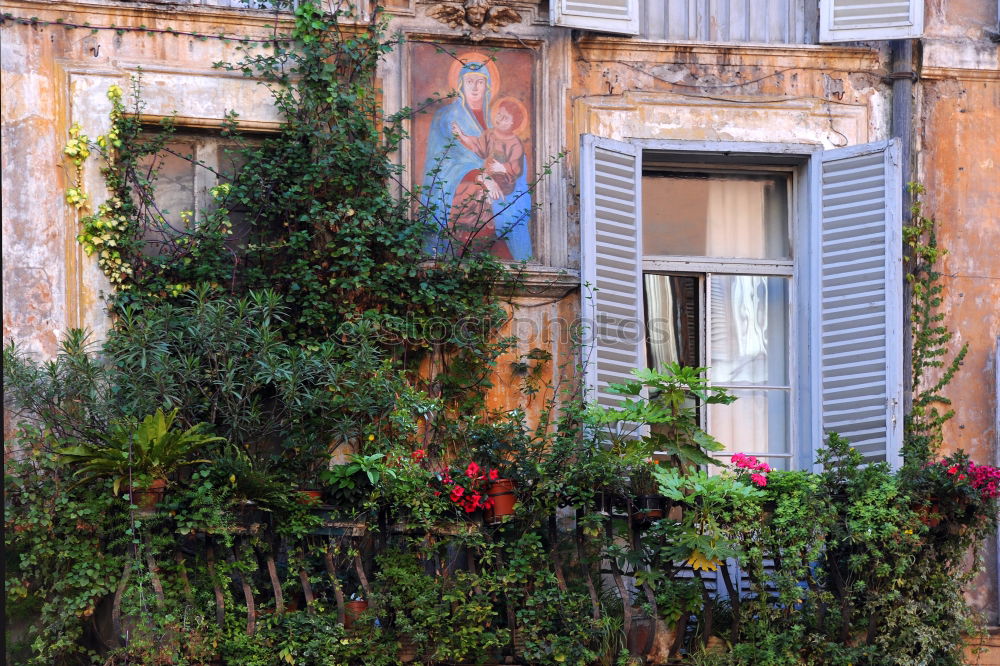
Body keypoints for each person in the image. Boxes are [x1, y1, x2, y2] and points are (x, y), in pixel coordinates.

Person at [421, 60, 532, 261]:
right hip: (458, 185)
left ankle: (511, 259)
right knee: (478, 199)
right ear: (461, 84)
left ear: (487, 85)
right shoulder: (447, 116)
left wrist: (503, 171)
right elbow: (445, 162)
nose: (474, 87)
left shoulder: (495, 118)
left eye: (479, 82)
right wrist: (481, 176)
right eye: (469, 81)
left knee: (510, 203)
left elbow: (512, 155)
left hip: (500, 183)